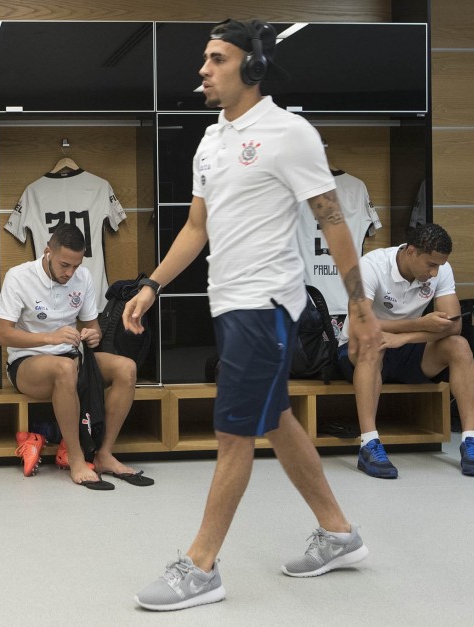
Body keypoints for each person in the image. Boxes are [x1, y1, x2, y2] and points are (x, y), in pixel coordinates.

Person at [122, 19, 383, 611]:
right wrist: (151, 285)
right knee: (274, 421)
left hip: (266, 306)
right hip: (229, 301)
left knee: (232, 433)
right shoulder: (211, 140)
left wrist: (361, 306)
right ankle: (339, 533)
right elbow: (197, 227)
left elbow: (333, 220)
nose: (203, 69)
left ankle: (200, 566)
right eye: (205, 59)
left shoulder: (289, 134)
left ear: (253, 67)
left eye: (216, 59)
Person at [0, 223, 152, 490]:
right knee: (64, 369)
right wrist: (50, 337)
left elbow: (92, 327)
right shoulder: (18, 277)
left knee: (126, 368)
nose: (70, 273)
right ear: (48, 252)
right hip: (27, 363)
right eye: (64, 265)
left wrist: (93, 335)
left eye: (76, 266)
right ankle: (77, 459)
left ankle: (103, 454)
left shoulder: (83, 277)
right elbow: (3, 335)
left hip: (71, 358)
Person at [337, 222, 474, 479]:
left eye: (439, 265)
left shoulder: (441, 271)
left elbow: (454, 325)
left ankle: (471, 440)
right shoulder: (370, 266)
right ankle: (369, 444)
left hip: (406, 348)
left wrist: (405, 337)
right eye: (430, 264)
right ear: (410, 252)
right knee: (373, 343)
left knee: (459, 346)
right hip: (360, 348)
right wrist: (418, 323)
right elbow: (361, 324)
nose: (434, 271)